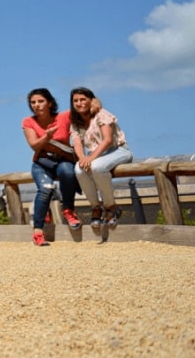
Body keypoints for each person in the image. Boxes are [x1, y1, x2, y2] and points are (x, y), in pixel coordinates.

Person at [21, 88, 81, 247]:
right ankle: (38, 232)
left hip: (63, 160)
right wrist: (47, 136)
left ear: (50, 103)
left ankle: (68, 210)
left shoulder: (64, 117)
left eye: (40, 101)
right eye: (33, 102)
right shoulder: (29, 122)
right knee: (45, 189)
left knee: (67, 172)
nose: (36, 105)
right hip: (42, 163)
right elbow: (34, 146)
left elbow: (85, 107)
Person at [69, 87, 133, 233]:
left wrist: (90, 158)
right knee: (78, 169)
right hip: (96, 155)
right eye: (75, 101)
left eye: (83, 99)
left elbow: (108, 140)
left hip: (118, 150)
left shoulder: (101, 115)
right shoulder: (75, 122)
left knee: (97, 167)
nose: (79, 103)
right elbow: (77, 143)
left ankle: (111, 207)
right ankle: (95, 207)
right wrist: (82, 159)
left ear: (91, 100)